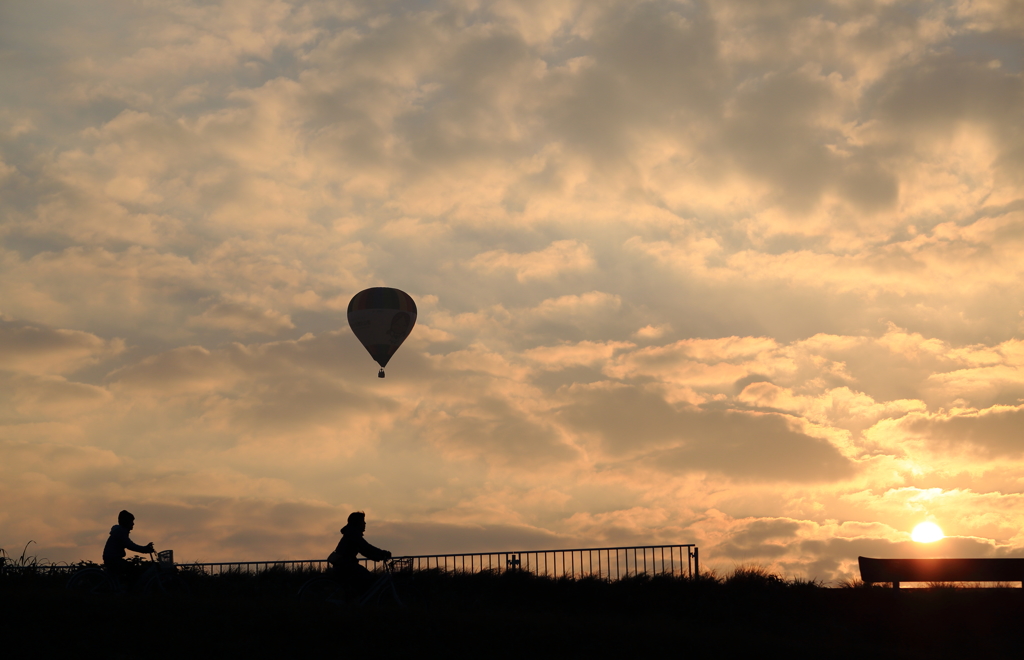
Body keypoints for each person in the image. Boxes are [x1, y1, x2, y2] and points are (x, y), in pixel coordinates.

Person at [328, 511, 392, 595]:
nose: (365, 523)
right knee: (366, 577)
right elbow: (366, 547)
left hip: (343, 564)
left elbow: (364, 551)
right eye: (363, 521)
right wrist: (383, 553)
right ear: (357, 522)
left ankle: (355, 598)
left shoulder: (351, 533)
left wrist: (378, 557)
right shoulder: (353, 534)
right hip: (346, 565)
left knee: (362, 579)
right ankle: (355, 600)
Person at [102, 510, 154, 585]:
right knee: (132, 570)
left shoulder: (120, 531)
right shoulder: (121, 532)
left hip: (111, 558)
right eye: (131, 521)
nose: (133, 523)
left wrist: (144, 548)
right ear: (126, 522)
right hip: (113, 560)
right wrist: (145, 549)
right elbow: (130, 545)